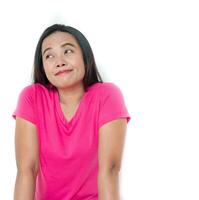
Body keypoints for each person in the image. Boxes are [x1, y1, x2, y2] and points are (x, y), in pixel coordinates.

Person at [12, 24, 131, 200]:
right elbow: (27, 170)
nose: (59, 61)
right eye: (49, 56)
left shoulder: (107, 96)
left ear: (85, 56)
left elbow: (110, 170)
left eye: (67, 51)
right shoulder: (32, 97)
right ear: (43, 66)